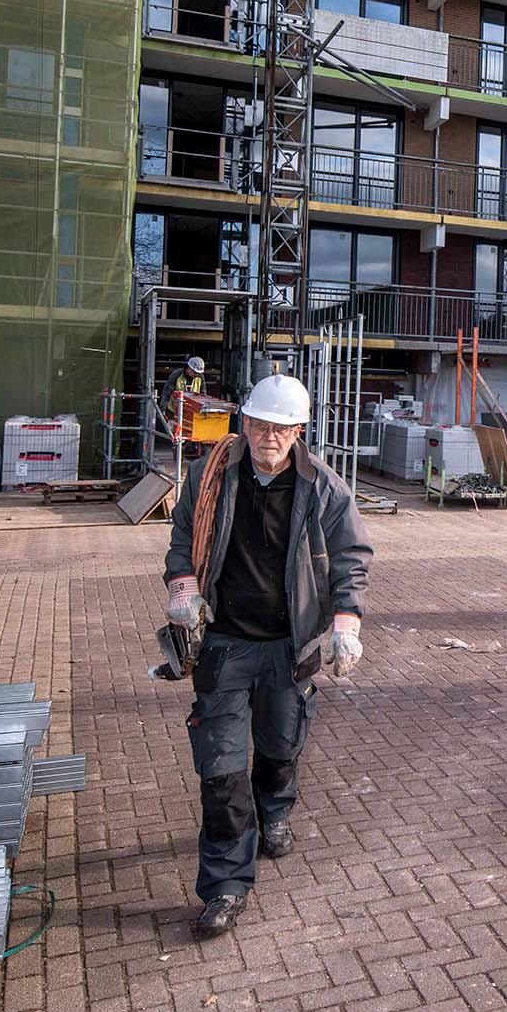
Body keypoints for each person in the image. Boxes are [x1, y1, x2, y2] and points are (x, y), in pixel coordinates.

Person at [163, 372, 373, 940]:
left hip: (289, 645)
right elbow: (184, 536)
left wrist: (345, 623)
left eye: (281, 428)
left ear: (299, 431)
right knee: (221, 766)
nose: (267, 437)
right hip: (226, 642)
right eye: (258, 425)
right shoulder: (211, 477)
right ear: (245, 424)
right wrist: (183, 587)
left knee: (281, 745)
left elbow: (352, 557)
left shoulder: (324, 488)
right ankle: (227, 886)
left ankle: (274, 810)